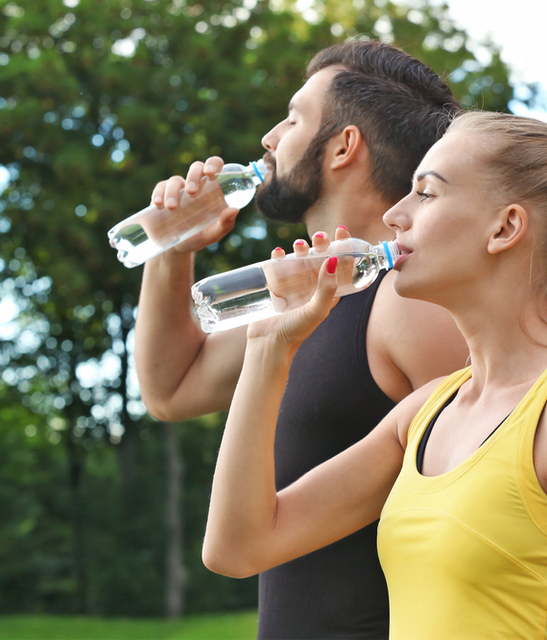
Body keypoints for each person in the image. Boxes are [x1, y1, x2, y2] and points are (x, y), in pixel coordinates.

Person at [202, 111, 547, 639]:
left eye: (425, 194)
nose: (394, 216)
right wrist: (269, 346)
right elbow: (238, 547)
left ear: (504, 228)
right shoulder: (427, 411)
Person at [135, 41, 469, 638]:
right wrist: (173, 250)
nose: (269, 136)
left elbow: (483, 505)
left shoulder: (411, 303)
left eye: (292, 118)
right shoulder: (302, 297)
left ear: (344, 146)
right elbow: (170, 390)